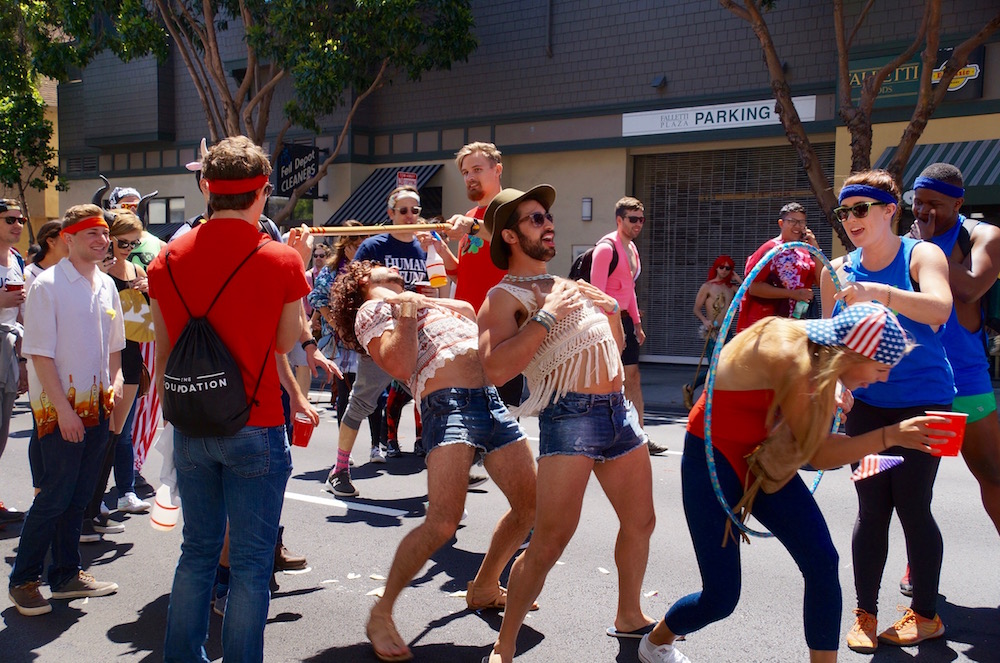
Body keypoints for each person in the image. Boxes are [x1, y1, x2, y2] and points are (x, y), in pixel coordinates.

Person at [639, 303, 950, 663]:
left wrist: (830, 390)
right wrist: (892, 434)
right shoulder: (796, 360)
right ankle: (655, 642)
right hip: (714, 457)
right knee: (720, 598)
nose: (882, 379)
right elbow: (819, 456)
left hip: (761, 454)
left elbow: (813, 433)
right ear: (852, 354)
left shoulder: (816, 350)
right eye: (880, 369)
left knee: (821, 560)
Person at [149, 136, 315, 662]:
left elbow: (165, 350)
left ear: (206, 187)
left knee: (197, 553)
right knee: (248, 565)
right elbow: (286, 342)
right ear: (261, 192)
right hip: (257, 419)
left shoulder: (167, 257)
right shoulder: (281, 258)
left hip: (193, 422)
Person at [478, 185, 656, 662]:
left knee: (641, 523)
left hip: (618, 414)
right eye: (536, 219)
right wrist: (545, 318)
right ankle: (505, 643)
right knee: (551, 540)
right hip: (569, 417)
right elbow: (495, 370)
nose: (548, 223)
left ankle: (629, 615)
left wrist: (614, 314)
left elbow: (613, 352)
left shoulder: (571, 286)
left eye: (548, 216)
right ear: (511, 236)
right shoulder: (503, 297)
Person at [330, 260, 537, 662]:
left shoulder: (419, 302)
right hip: (448, 404)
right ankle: (382, 612)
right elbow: (401, 364)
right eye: (379, 272)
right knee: (443, 520)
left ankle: (484, 586)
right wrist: (406, 308)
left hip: (489, 401)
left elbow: (469, 313)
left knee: (530, 505)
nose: (392, 272)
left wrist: (421, 303)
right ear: (361, 286)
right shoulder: (372, 312)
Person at [820, 169, 954, 652]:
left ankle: (926, 615)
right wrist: (836, 383)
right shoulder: (835, 270)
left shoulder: (922, 255)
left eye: (860, 209)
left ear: (889, 210)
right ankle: (866, 613)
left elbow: (940, 309)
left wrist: (879, 293)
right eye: (844, 212)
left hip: (926, 403)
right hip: (870, 408)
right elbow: (831, 344)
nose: (850, 219)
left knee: (914, 505)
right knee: (872, 509)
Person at [8, 203, 125, 616]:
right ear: (68, 239)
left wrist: (114, 386)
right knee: (55, 496)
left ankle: (65, 575)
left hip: (97, 405)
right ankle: (23, 579)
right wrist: (65, 411)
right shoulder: (48, 286)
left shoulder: (106, 284)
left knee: (79, 496)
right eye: (92, 234)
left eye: (104, 233)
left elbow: (115, 348)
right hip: (61, 410)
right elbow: (39, 356)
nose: (102, 240)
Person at [907, 163, 1000, 542]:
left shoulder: (984, 235)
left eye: (936, 204)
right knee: (915, 487)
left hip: (966, 377)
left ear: (959, 202)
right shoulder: (909, 241)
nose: (924, 211)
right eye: (917, 203)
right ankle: (918, 565)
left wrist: (925, 248)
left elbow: (971, 288)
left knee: (992, 472)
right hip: (918, 379)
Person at [326, 186, 430, 496]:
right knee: (361, 402)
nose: (410, 216)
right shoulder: (373, 245)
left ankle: (452, 472)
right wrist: (354, 332)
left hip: (418, 330)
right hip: (381, 333)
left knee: (435, 398)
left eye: (416, 210)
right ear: (390, 214)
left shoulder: (425, 248)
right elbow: (349, 285)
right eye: (403, 211)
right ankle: (340, 469)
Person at [81, 210, 151, 545]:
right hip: (101, 358)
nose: (126, 248)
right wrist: (101, 276)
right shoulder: (96, 272)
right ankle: (87, 508)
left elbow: (143, 323)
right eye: (122, 242)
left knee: (121, 434)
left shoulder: (137, 269)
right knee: (104, 436)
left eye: (133, 243)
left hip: (131, 356)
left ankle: (115, 496)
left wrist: (149, 290)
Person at [590, 196, 666, 454]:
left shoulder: (632, 249)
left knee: (632, 377)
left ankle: (640, 435)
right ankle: (602, 437)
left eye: (641, 220)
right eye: (633, 219)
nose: (638, 224)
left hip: (624, 321)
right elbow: (596, 294)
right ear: (619, 219)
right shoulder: (605, 249)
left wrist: (636, 323)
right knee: (609, 381)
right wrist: (606, 327)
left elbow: (629, 289)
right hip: (606, 322)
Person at [737, 202, 822, 332]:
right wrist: (793, 294)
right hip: (768, 324)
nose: (798, 226)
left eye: (801, 222)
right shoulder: (770, 249)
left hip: (796, 324)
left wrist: (815, 248)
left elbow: (820, 280)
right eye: (792, 221)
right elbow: (753, 288)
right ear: (781, 224)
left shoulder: (803, 251)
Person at [682, 255, 741, 409]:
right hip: (712, 332)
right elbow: (696, 308)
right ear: (716, 267)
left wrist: (738, 278)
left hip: (727, 332)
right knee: (715, 366)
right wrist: (704, 320)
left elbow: (748, 292)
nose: (724, 270)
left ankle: (714, 396)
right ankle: (693, 389)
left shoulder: (731, 288)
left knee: (726, 366)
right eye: (722, 267)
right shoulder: (707, 286)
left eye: (728, 268)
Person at [0, 199, 27, 526]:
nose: (17, 225)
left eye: (20, 219)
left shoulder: (17, 258)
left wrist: (22, 359)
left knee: (2, 432)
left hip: (9, 345)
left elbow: (20, 311)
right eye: (10, 219)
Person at [24, 221, 68, 288]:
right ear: (51, 241)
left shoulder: (71, 272)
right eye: (66, 237)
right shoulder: (28, 275)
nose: (71, 241)